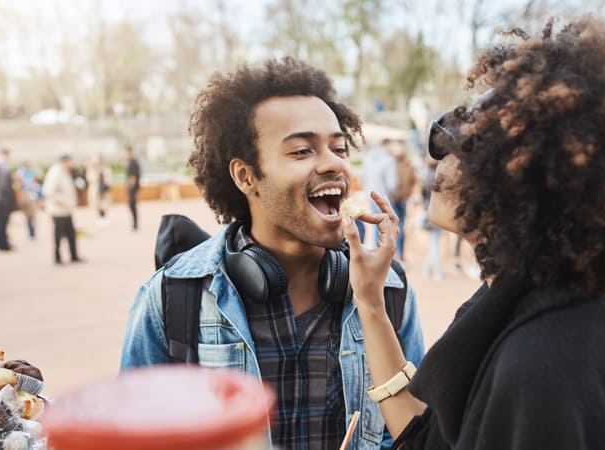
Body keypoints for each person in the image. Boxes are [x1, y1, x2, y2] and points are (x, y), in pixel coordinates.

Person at [346, 18, 605, 450]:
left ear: (534, 177)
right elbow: (426, 436)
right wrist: (370, 302)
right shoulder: (519, 307)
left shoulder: (547, 365)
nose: (440, 155)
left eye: (465, 141)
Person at [121, 57, 425, 450]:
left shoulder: (389, 290)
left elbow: (418, 436)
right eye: (302, 151)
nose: (334, 163)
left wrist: (373, 306)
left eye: (339, 147)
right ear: (246, 176)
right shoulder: (171, 297)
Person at [43, 154, 83, 265]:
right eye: (71, 162)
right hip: (58, 211)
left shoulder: (64, 172)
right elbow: (49, 192)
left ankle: (74, 255)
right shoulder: (56, 173)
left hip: (66, 210)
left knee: (71, 233)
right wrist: (66, 201)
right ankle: (57, 257)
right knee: (58, 235)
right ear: (65, 161)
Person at [360, 138, 398, 246]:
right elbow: (392, 184)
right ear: (387, 145)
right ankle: (381, 250)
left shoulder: (368, 158)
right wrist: (393, 196)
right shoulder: (388, 160)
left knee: (374, 222)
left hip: (370, 196)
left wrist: (367, 191)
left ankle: (375, 248)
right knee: (386, 224)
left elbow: (361, 178)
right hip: (385, 198)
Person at [16, 161, 40, 241]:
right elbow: (19, 187)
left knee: (32, 216)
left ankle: (32, 233)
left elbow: (35, 185)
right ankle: (31, 233)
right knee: (28, 217)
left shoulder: (31, 174)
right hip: (26, 197)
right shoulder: (21, 174)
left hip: (32, 197)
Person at [86, 154, 112, 224]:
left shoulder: (105, 168)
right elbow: (90, 179)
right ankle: (100, 218)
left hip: (103, 189)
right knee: (97, 204)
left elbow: (108, 178)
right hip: (95, 189)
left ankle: (104, 217)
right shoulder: (91, 169)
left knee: (104, 204)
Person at [124, 146, 140, 231]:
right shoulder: (131, 162)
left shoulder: (133, 162)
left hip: (132, 188)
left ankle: (135, 225)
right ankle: (134, 224)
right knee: (131, 205)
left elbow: (134, 177)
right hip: (132, 187)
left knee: (132, 205)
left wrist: (130, 187)